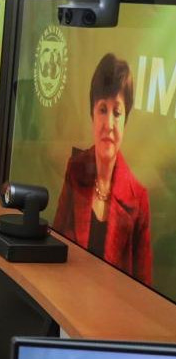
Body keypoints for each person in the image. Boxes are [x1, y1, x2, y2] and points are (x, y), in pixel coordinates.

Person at [53, 53, 152, 285]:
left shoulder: (139, 199)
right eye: (102, 109)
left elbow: (144, 290)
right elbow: (54, 246)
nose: (109, 124)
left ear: (126, 120)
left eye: (117, 112)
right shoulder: (75, 169)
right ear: (92, 115)